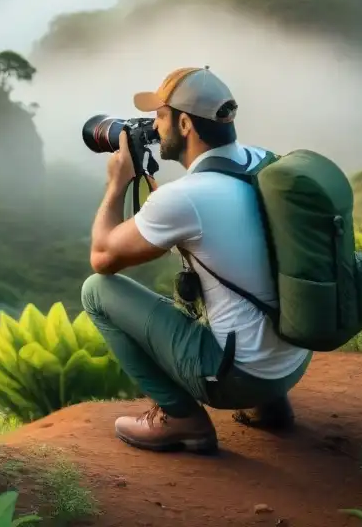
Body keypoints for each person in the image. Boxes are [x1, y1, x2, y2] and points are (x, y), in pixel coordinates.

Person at [81, 66, 312, 454]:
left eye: (160, 116)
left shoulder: (186, 198)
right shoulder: (265, 162)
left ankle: (180, 419)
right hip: (293, 362)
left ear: (185, 124)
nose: (154, 128)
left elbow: (102, 257)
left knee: (96, 291)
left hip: (236, 377)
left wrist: (117, 182)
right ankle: (270, 406)